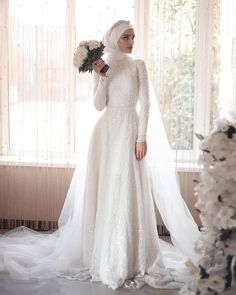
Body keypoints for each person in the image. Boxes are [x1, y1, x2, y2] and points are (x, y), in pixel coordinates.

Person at [0, 20, 200, 290]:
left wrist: (142, 137)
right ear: (114, 38)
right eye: (126, 37)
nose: (131, 42)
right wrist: (102, 77)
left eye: (133, 36)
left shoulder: (138, 64)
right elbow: (97, 105)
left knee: (128, 189)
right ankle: (107, 254)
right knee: (107, 190)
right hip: (106, 134)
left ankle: (132, 256)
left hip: (129, 130)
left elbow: (147, 102)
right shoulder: (102, 65)